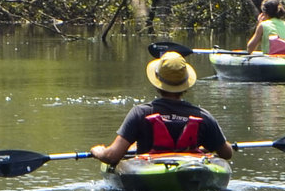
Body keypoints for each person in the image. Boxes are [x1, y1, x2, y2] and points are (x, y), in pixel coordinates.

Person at [92, 52, 234, 166]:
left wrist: (99, 152)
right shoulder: (204, 116)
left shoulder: (140, 113)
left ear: (157, 83)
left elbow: (112, 156)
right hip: (189, 174)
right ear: (186, 84)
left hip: (147, 179)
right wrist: (209, 145)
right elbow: (227, 153)